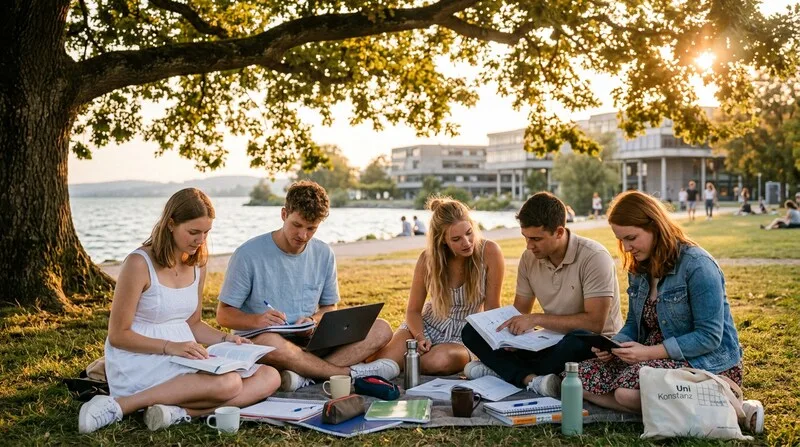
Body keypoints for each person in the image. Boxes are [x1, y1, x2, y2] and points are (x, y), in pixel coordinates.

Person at [78, 188, 280, 434]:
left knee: (270, 376)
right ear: (171, 224)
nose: (200, 240)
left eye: (206, 232)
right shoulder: (138, 264)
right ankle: (120, 405)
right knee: (229, 384)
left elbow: (193, 324)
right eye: (194, 232)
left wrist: (227, 339)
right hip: (140, 357)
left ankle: (176, 412)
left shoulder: (197, 265)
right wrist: (170, 347)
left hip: (184, 355)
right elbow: (118, 335)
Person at [577, 191, 763, 434]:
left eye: (631, 238)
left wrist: (647, 353)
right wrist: (614, 346)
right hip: (653, 355)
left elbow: (709, 337)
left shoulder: (698, 265)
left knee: (625, 392)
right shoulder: (638, 267)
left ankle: (727, 401)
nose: (626, 247)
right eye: (621, 240)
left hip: (702, 359)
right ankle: (695, 408)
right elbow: (634, 322)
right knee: (578, 378)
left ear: (655, 226)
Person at [216, 181, 398, 392]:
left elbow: (329, 307)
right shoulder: (248, 254)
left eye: (311, 228)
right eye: (297, 225)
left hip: (310, 341)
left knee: (381, 328)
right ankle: (348, 373)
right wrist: (258, 320)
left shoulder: (324, 253)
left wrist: (313, 320)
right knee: (271, 342)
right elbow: (223, 315)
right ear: (284, 214)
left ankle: (302, 376)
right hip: (268, 343)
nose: (303, 235)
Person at [461, 192, 623, 397]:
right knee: (471, 332)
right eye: (526, 237)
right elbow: (520, 311)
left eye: (536, 239)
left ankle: (503, 371)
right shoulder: (529, 258)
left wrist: (536, 319)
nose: (529, 246)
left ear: (559, 232)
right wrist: (509, 338)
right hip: (548, 340)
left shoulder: (594, 257)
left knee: (577, 340)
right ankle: (529, 378)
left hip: (592, 346)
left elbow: (594, 324)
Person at [372, 197, 504, 375]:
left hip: (465, 334)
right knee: (383, 362)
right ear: (442, 240)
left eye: (469, 233)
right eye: (456, 239)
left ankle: (406, 364)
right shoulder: (427, 259)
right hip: (426, 326)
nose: (466, 242)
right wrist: (419, 337)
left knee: (436, 362)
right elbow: (413, 310)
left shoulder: (490, 252)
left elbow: (492, 308)